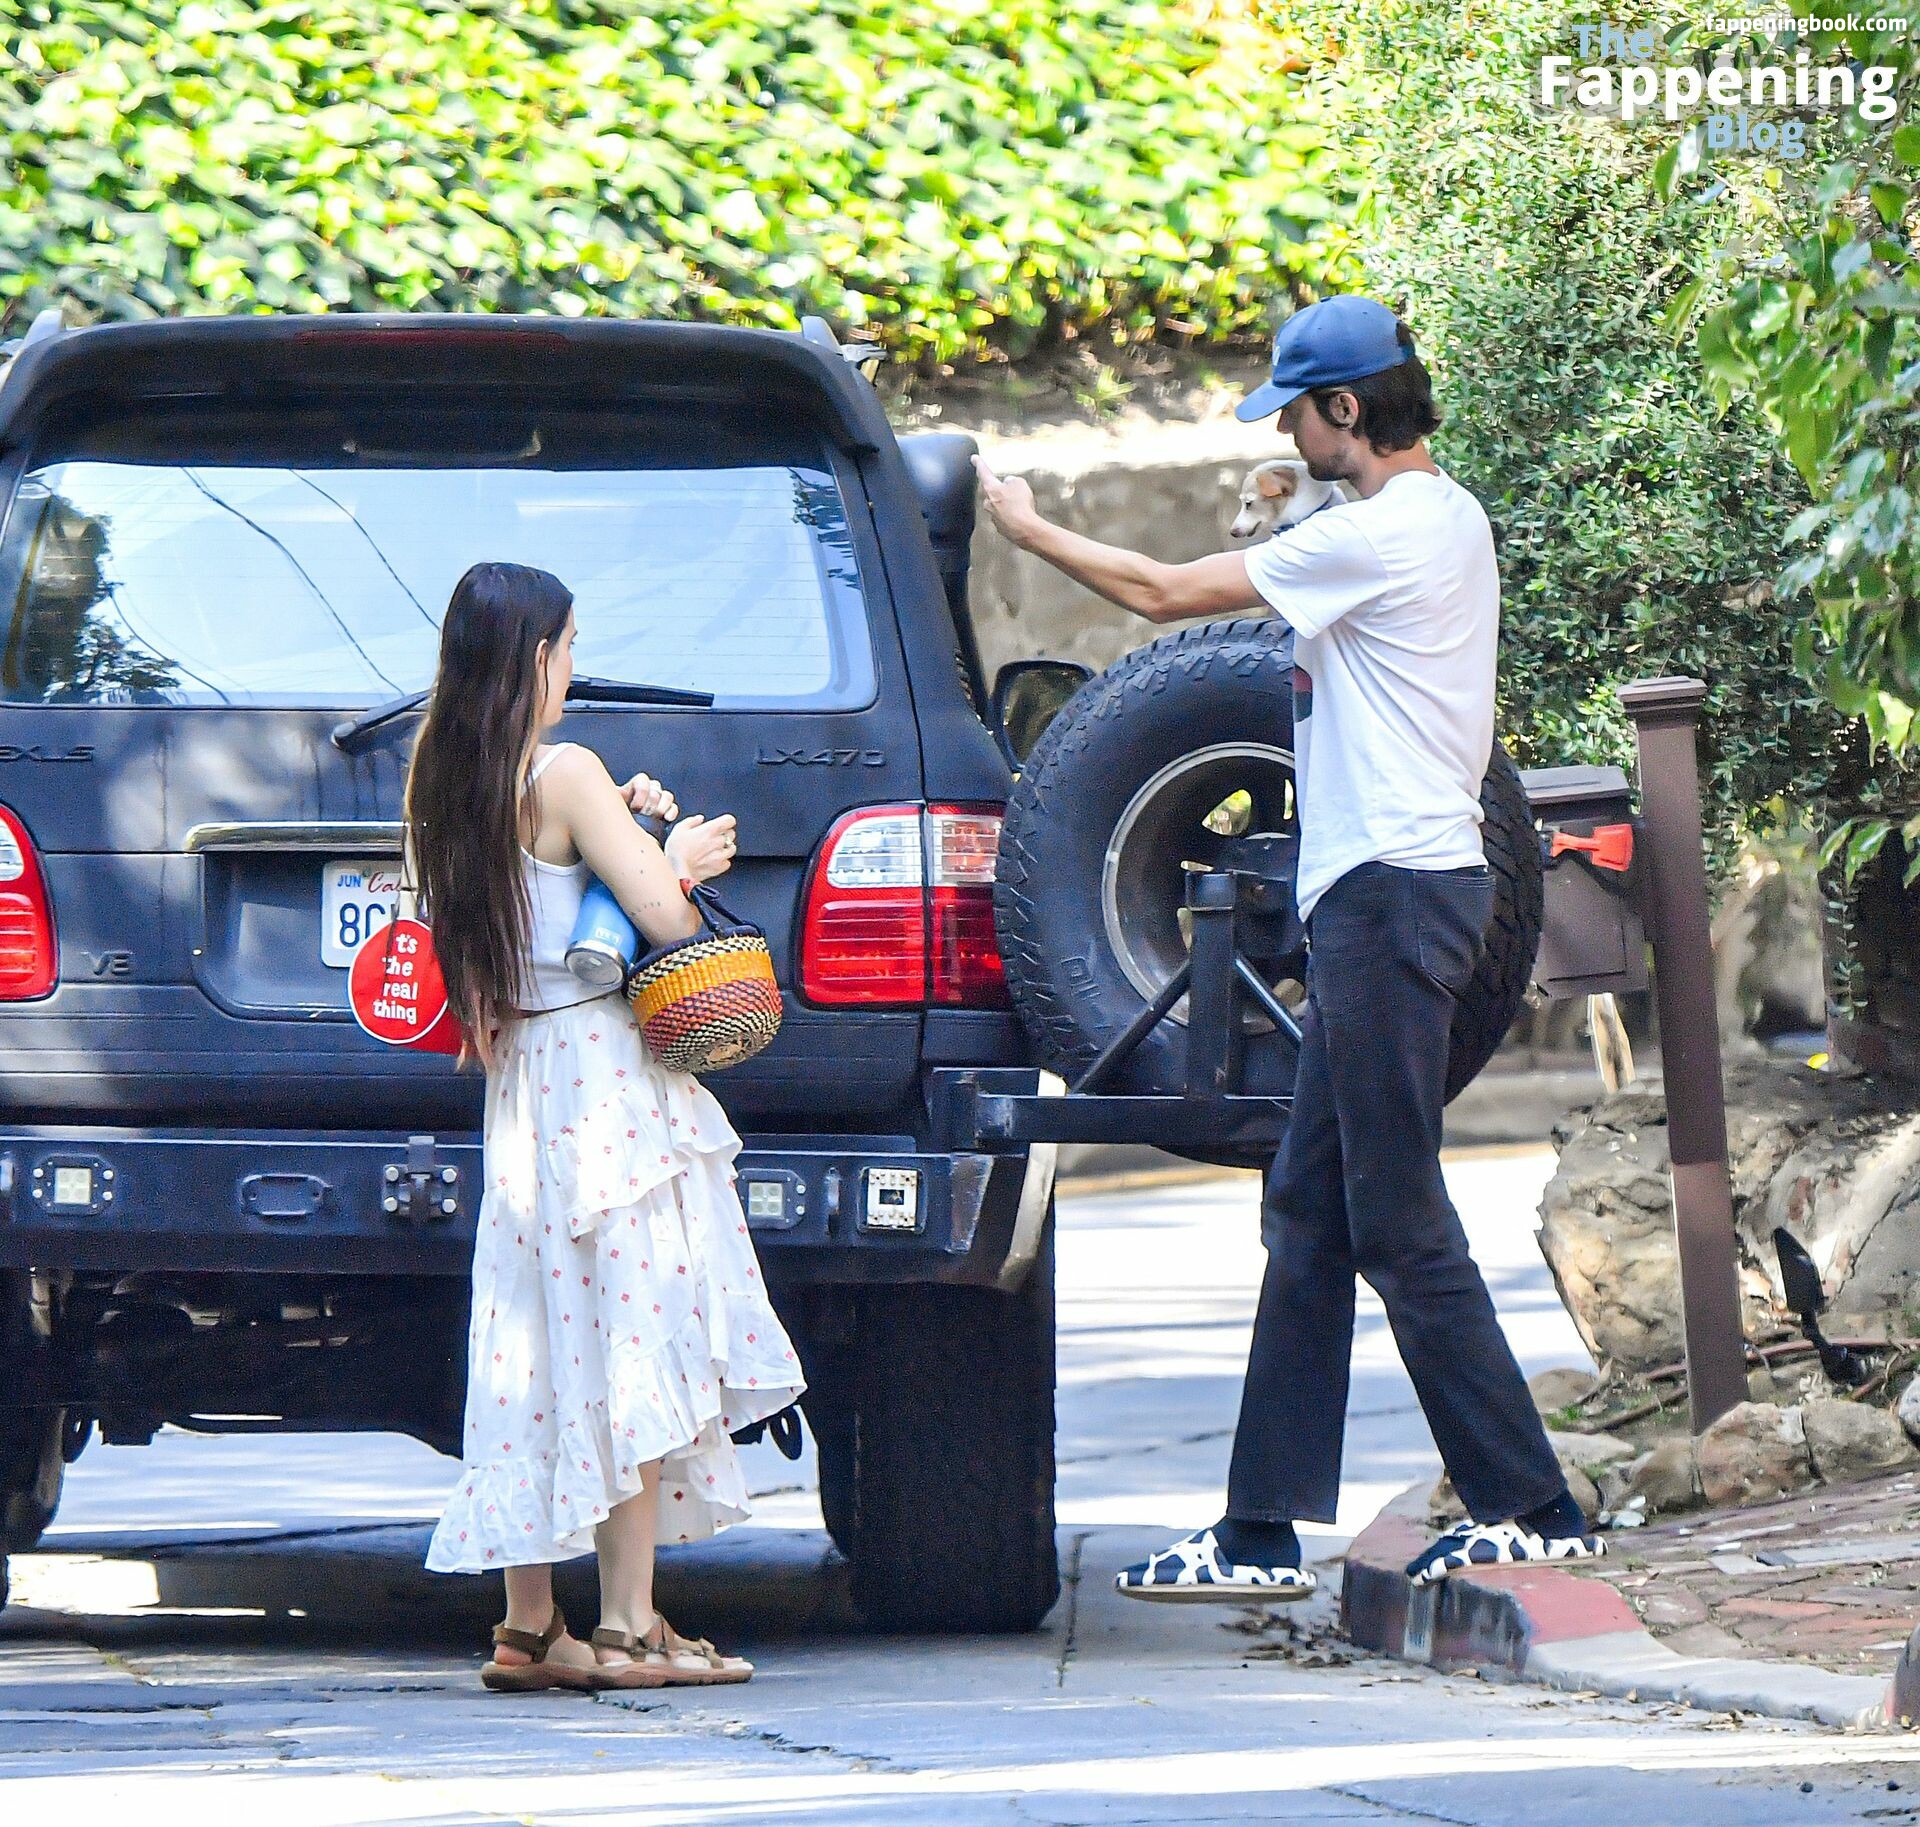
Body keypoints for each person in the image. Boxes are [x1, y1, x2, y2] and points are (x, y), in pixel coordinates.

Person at [973, 296, 1600, 1599]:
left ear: (1347, 409)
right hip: (1405, 892)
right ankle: (1258, 1529)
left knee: (1399, 1219)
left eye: (1298, 413)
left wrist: (1026, 527)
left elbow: (1159, 593)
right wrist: (1287, 517)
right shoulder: (1440, 518)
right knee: (1310, 1210)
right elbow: (1316, 561)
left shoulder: (1377, 536)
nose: (1287, 434)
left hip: (1386, 902)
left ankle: (1531, 1505)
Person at [411, 561, 805, 1688]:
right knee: (632, 1326)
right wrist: (673, 855)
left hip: (523, 1084)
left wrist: (611, 830)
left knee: (535, 1342)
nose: (576, 667)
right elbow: (666, 917)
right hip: (605, 1080)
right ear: (536, 654)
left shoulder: (443, 784)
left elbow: (517, 926)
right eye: (571, 646)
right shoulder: (567, 769)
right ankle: (629, 1625)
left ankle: (531, 1626)